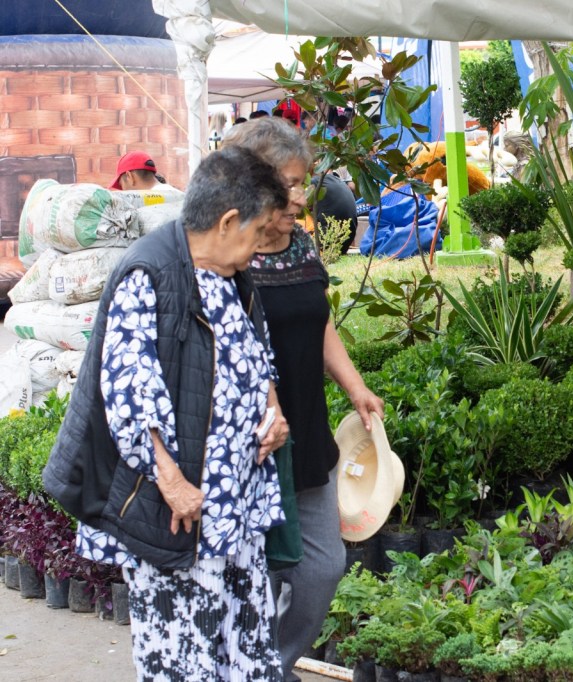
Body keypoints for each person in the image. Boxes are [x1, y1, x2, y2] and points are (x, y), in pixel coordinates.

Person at [43, 146, 292, 681]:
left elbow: (258, 354)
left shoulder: (230, 276)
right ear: (227, 221)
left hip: (232, 509)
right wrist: (172, 483)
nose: (259, 248)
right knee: (183, 659)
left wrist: (271, 411)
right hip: (179, 511)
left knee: (244, 650)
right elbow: (130, 393)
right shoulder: (149, 273)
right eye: (257, 232)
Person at [222, 117, 385, 682]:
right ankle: (251, 669)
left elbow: (319, 320)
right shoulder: (229, 252)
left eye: (302, 183)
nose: (300, 197)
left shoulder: (301, 245)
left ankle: (273, 663)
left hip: (306, 433)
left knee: (323, 567)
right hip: (252, 443)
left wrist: (355, 386)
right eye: (290, 184)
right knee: (258, 574)